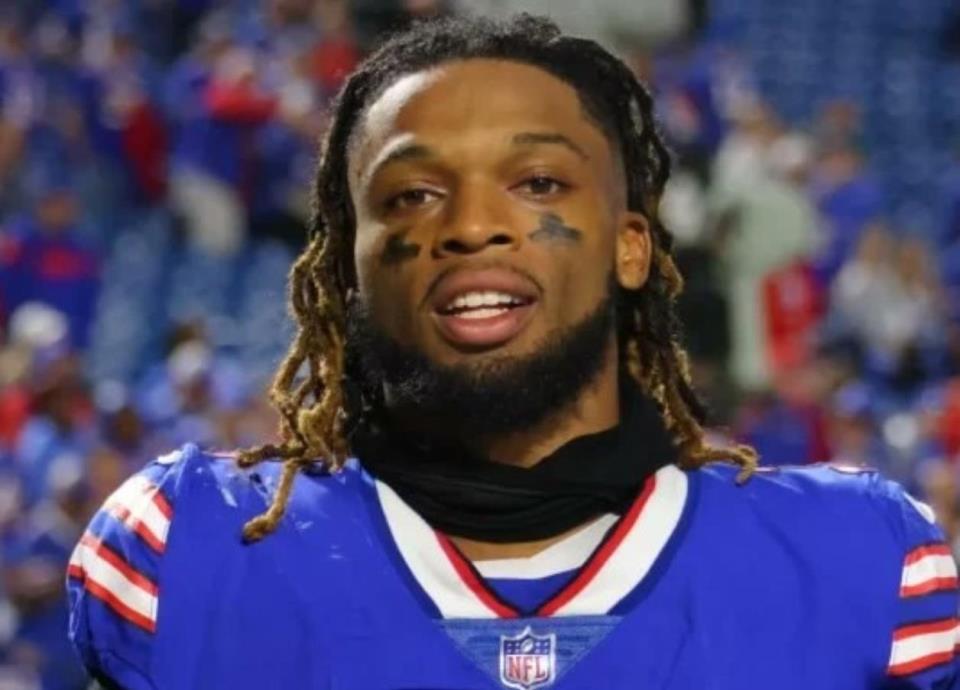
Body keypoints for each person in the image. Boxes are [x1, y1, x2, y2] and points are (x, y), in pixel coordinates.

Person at [66, 15, 958, 690]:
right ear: (346, 266)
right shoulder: (187, 549)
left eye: (538, 182)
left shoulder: (861, 567)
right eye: (412, 194)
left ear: (631, 247)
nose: (472, 225)